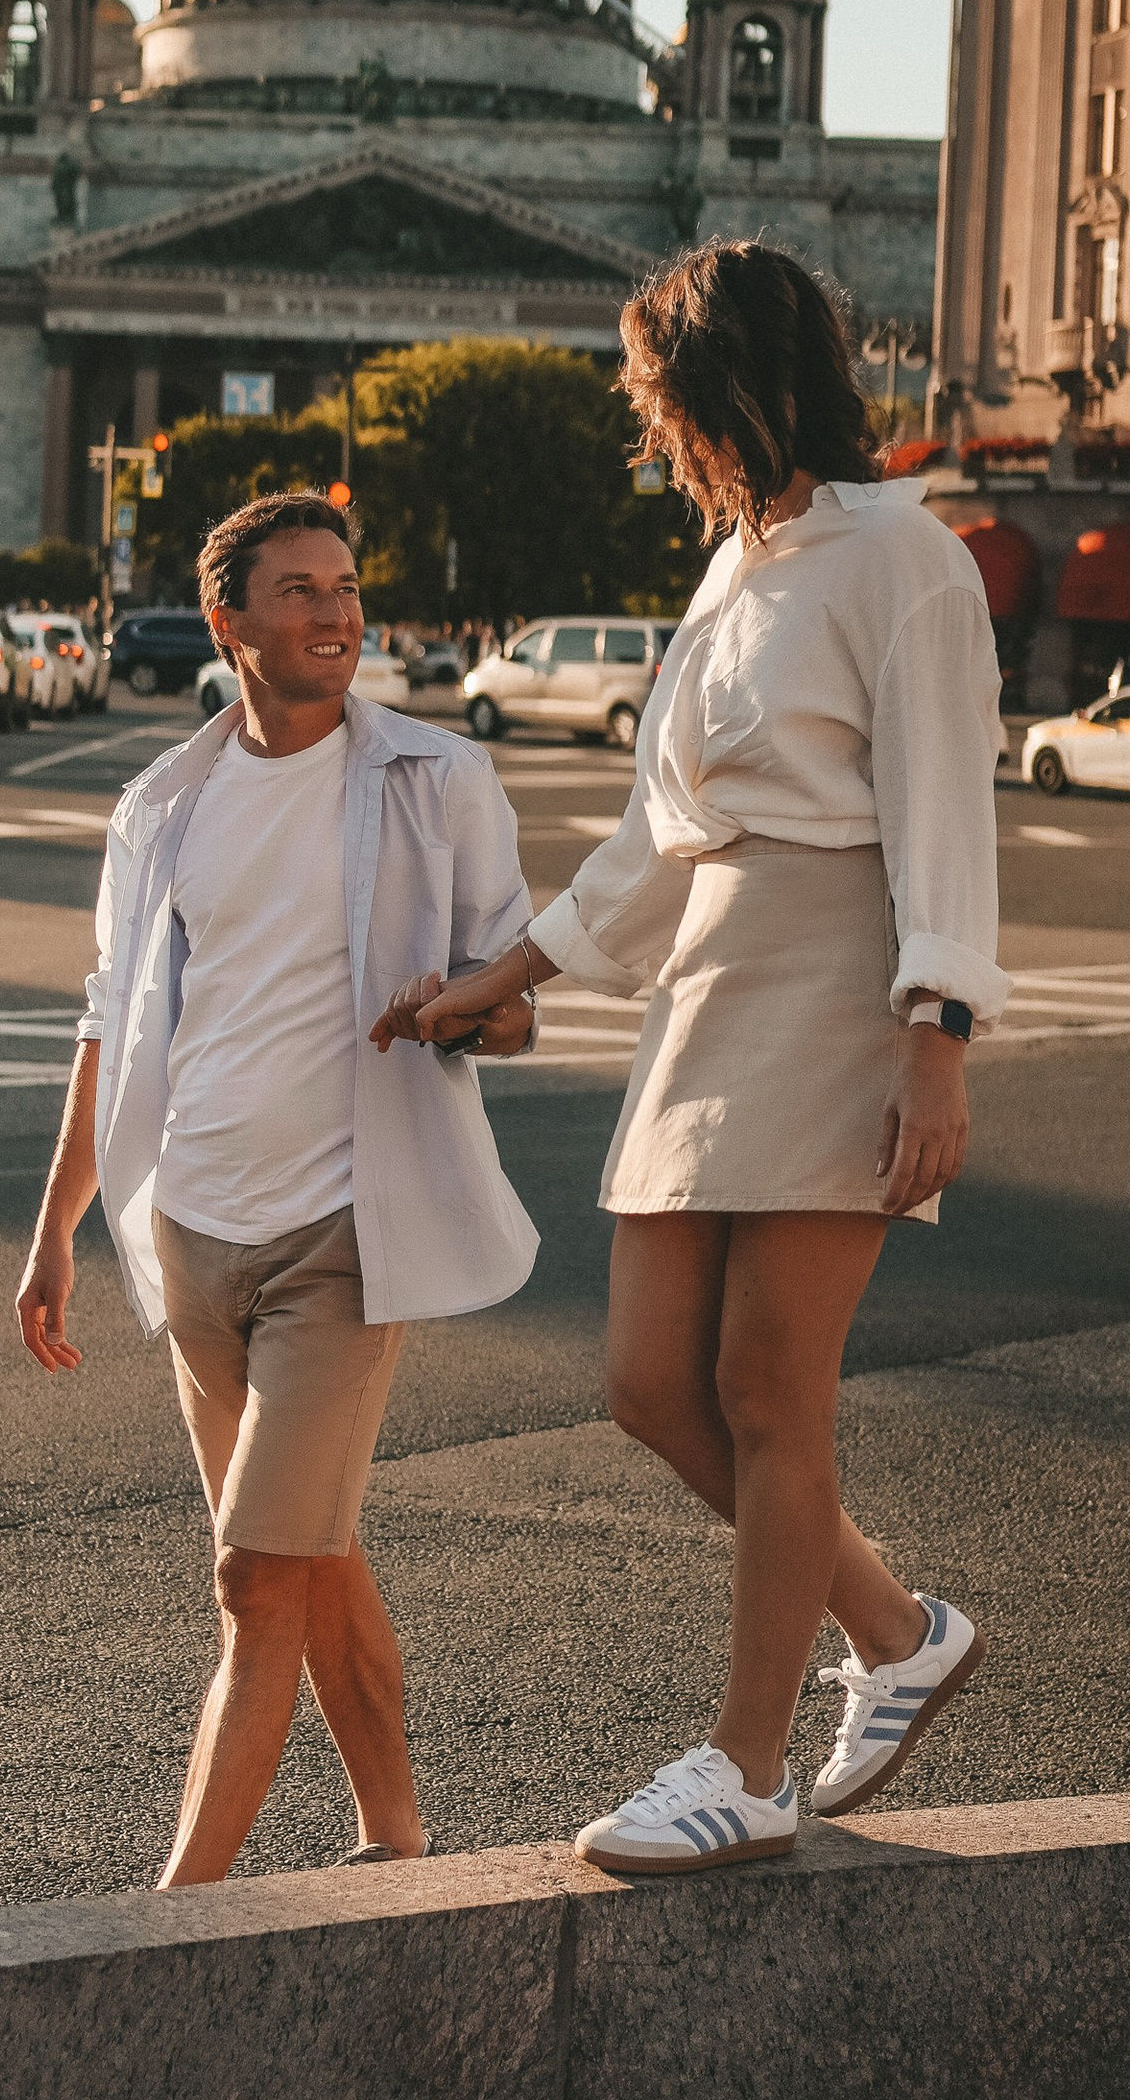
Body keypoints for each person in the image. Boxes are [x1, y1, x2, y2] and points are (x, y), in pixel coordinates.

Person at [378, 239, 1008, 1877]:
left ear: (742, 384)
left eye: (670, 404)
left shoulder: (902, 555)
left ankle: (746, 1765)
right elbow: (663, 834)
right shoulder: (738, 564)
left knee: (767, 1389)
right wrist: (499, 976)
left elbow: (946, 806)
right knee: (650, 1384)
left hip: (837, 976)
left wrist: (935, 1041)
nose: (660, 439)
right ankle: (898, 1628)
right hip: (713, 983)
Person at [15, 487, 542, 1887]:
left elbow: (519, 999)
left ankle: (174, 1916)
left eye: (347, 587)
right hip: (190, 1234)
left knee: (255, 1577)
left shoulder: (437, 778)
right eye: (300, 591)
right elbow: (110, 1020)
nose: (335, 614)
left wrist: (465, 1006)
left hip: (342, 1240)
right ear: (228, 622)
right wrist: (57, 1230)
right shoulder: (164, 806)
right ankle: (396, 1837)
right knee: (310, 1550)